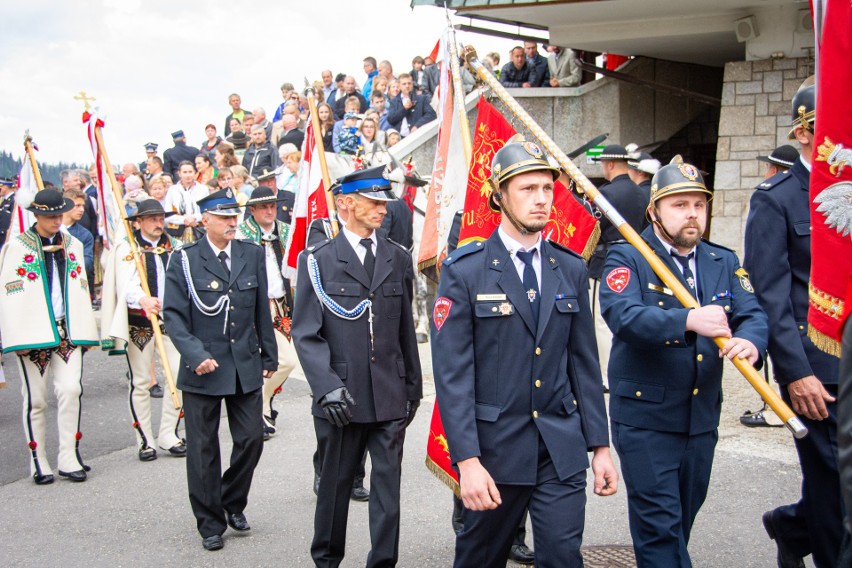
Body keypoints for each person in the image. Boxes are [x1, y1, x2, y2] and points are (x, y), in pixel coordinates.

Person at [432, 139, 618, 567]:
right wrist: (467, 461)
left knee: (563, 558)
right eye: (527, 188)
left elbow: (584, 367)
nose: (541, 199)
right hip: (494, 452)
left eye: (547, 189)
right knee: (481, 558)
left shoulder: (570, 267)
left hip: (560, 447)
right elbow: (453, 378)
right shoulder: (465, 270)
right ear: (499, 196)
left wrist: (600, 446)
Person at [601, 157, 768, 568]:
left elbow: (752, 312)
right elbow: (623, 315)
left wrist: (750, 341)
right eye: (679, 204)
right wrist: (687, 319)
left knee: (680, 525)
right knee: (660, 531)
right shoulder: (629, 257)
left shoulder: (722, 261)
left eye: (699, 204)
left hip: (700, 419)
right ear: (654, 210)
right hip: (645, 419)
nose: (692, 213)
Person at [292, 166, 423, 567]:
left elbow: (404, 329)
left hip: (389, 393)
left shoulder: (397, 256)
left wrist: (413, 388)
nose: (383, 209)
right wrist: (326, 386)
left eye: (385, 201)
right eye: (374, 201)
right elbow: (306, 332)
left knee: (388, 491)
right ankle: (327, 560)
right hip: (342, 397)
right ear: (346, 203)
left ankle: (383, 562)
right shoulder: (318, 260)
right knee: (335, 487)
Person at [744, 80, 843, 568]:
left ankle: (791, 525)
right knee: (833, 486)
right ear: (804, 135)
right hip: (818, 370)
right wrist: (795, 371)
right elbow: (772, 296)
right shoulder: (777, 198)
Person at [163, 188, 277, 551]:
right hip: (204, 368)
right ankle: (210, 522)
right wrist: (195, 355)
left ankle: (231, 501)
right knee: (203, 449)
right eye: (225, 217)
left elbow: (261, 310)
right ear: (205, 220)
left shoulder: (251, 253)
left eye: (234, 217)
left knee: (251, 439)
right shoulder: (183, 260)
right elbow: (175, 318)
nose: (232, 223)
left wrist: (269, 356)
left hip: (244, 363)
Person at [0, 189, 100, 484]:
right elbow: (10, 293)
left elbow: (82, 286)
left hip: (67, 329)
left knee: (71, 390)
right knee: (36, 399)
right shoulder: (17, 247)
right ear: (37, 216)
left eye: (59, 214)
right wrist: (15, 336)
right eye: (50, 215)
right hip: (34, 331)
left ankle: (68, 456)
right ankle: (38, 459)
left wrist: (84, 329)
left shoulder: (71, 243)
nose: (57, 220)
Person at [100, 199, 186, 461]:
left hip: (170, 320)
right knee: (140, 382)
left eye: (161, 218)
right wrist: (141, 298)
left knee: (179, 376)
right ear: (138, 222)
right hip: (140, 322)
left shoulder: (174, 246)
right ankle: (144, 439)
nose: (159, 224)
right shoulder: (127, 247)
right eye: (152, 219)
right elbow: (123, 282)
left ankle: (169, 433)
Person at [739, 143, 799, 429]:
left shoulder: (770, 195)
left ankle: (774, 407)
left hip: (786, 304)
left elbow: (760, 266)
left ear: (773, 169)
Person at [235, 187, 298, 440]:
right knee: (270, 361)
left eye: (272, 205)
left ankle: (262, 403)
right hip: (254, 304)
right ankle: (258, 412)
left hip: (283, 303)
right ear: (252, 210)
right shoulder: (242, 235)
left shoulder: (285, 230)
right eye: (263, 207)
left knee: (284, 361)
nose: (269, 210)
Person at [588, 144, 648, 384]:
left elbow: (595, 230)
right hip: (635, 258)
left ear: (610, 164)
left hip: (606, 261)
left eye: (603, 163)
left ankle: (607, 375)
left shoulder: (606, 195)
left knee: (601, 319)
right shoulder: (641, 193)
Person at [164, 160, 209, 242]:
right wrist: (184, 220)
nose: (188, 175)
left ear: (195, 173)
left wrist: (194, 218)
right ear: (179, 173)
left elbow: (207, 211)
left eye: (190, 172)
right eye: (184, 172)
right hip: (178, 233)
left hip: (199, 230)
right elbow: (167, 214)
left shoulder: (203, 189)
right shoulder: (172, 190)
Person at [61, 189, 94, 286]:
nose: (82, 210)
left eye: (83, 206)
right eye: (77, 205)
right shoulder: (52, 229)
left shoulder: (85, 235)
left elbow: (87, 263)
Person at [387, 73, 437, 137]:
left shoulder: (422, 99)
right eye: (404, 84)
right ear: (399, 86)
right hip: (400, 138)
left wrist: (417, 125)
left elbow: (431, 114)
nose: (407, 86)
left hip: (417, 135)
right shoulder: (394, 102)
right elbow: (391, 119)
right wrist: (404, 109)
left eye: (409, 83)